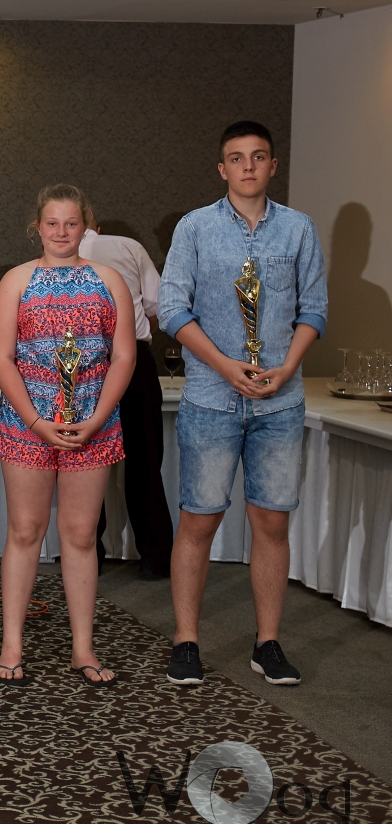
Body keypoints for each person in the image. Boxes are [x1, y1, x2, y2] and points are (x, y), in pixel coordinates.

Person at [159, 121, 327, 688]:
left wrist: (288, 366)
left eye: (258, 157)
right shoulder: (195, 228)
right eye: (237, 158)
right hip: (212, 398)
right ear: (222, 168)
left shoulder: (298, 229)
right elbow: (172, 309)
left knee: (271, 522)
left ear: (273, 166)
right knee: (199, 520)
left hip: (279, 403)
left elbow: (314, 309)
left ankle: (268, 643)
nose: (248, 166)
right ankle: (186, 641)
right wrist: (226, 366)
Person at [0, 183, 135, 687]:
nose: (61, 232)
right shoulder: (15, 281)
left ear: (85, 226)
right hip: (28, 425)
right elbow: (0, 357)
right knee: (25, 531)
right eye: (52, 223)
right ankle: (11, 645)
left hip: (92, 424)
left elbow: (123, 356)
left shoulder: (110, 281)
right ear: (38, 226)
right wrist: (35, 421)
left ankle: (82, 647)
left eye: (71, 223)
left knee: (79, 535)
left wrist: (96, 419)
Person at [78, 216, 174, 579]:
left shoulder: (55, 255)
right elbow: (158, 307)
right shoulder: (129, 247)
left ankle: (88, 555)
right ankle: (155, 559)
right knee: (145, 462)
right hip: (134, 360)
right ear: (97, 225)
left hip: (81, 362)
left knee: (84, 462)